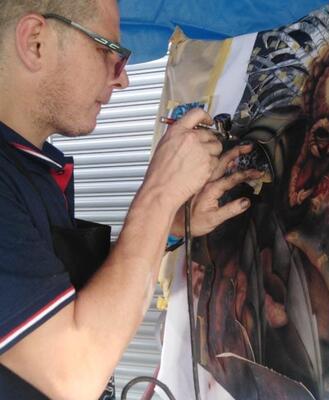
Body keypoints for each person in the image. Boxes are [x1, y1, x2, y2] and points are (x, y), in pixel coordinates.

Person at [0, 1, 263, 399]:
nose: (122, 79)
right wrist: (159, 193)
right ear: (36, 42)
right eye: (109, 52)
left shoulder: (28, 169)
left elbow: (66, 295)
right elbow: (73, 375)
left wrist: (172, 223)